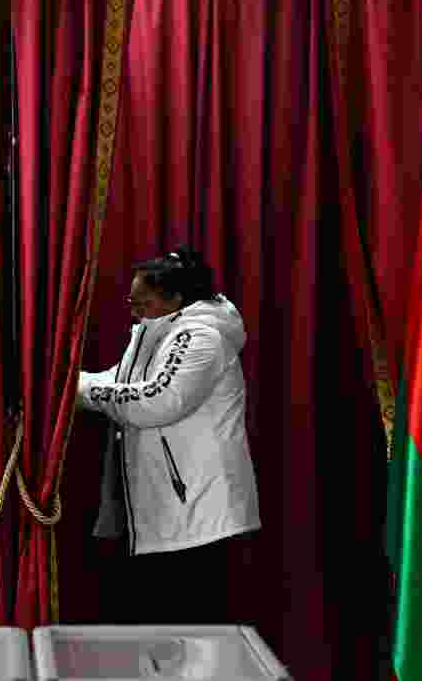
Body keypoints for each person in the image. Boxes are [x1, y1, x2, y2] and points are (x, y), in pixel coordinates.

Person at [77, 245, 260, 624]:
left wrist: (80, 392)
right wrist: (67, 385)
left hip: (197, 515)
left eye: (142, 302)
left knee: (193, 632)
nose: (134, 310)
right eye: (132, 300)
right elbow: (122, 382)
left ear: (176, 299)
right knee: (163, 630)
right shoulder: (159, 329)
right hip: (170, 508)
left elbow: (157, 400)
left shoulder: (201, 338)